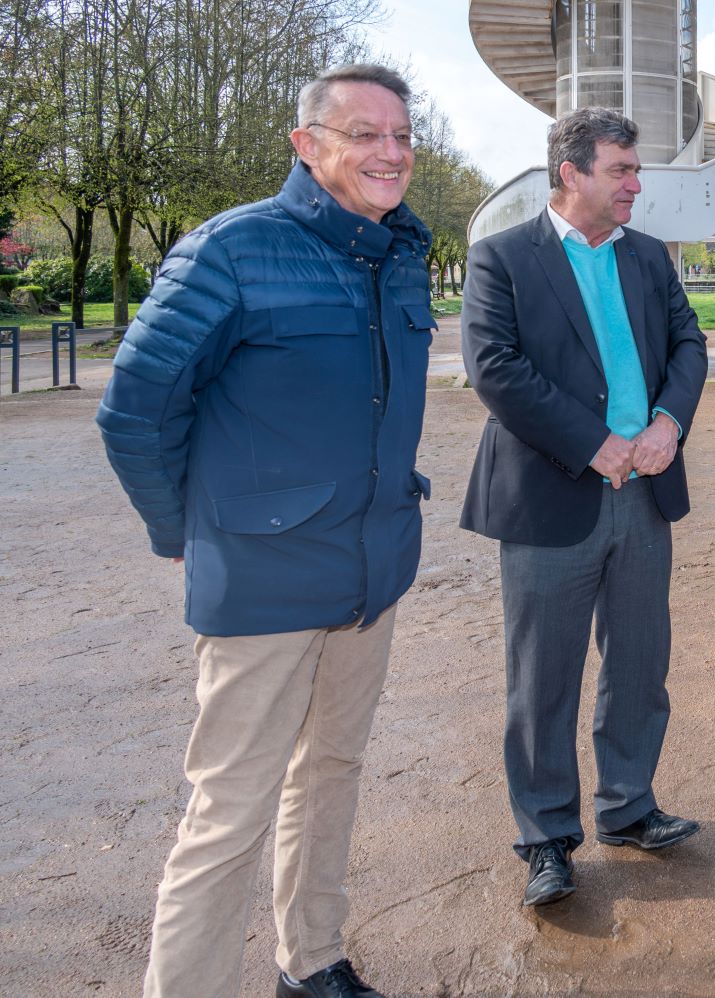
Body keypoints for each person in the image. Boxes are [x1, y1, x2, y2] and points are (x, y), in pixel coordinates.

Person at [96, 64, 430, 998]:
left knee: (332, 774)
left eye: (401, 135)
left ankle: (311, 959)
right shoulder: (232, 250)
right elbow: (133, 412)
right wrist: (185, 532)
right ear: (307, 143)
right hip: (264, 583)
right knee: (227, 813)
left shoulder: (400, 252)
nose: (390, 152)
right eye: (364, 134)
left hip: (371, 575)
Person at [459, 108, 708, 907]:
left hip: (644, 493)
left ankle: (630, 808)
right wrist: (591, 441)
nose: (636, 185)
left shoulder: (649, 259)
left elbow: (689, 345)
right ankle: (545, 839)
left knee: (639, 663)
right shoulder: (502, 258)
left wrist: (668, 422)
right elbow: (493, 367)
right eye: (622, 171)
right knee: (544, 680)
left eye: (636, 171)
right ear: (571, 173)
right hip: (549, 498)